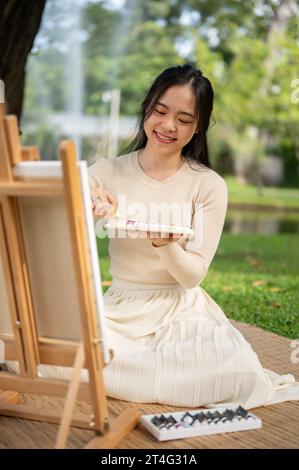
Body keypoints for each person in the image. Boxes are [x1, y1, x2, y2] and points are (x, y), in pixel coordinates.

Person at [88, 64, 299, 408]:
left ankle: (133, 376)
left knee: (237, 371)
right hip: (120, 309)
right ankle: (140, 374)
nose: (168, 125)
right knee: (61, 350)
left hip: (181, 310)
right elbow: (69, 192)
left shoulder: (208, 185)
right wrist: (90, 197)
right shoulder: (107, 171)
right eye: (160, 111)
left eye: (184, 119)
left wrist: (164, 242)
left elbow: (192, 276)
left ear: (199, 126)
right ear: (147, 108)